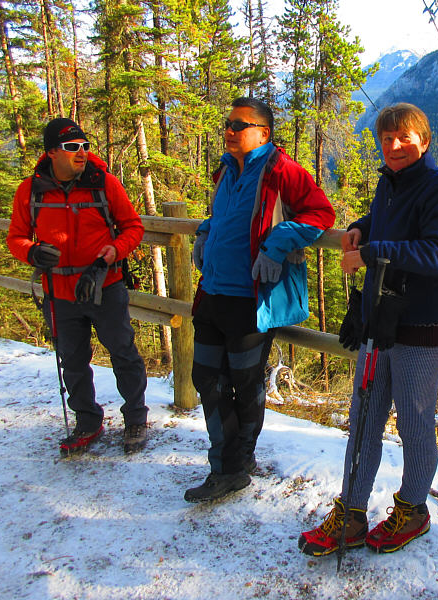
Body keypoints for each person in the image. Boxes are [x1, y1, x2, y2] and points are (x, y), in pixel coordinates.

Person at [299, 103, 438, 555]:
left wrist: (370, 252)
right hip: (380, 321)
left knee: (414, 423)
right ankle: (351, 514)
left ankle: (413, 509)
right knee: (364, 421)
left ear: (424, 141)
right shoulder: (388, 183)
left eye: (404, 137)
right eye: (387, 139)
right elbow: (386, 223)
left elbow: (436, 253)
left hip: (422, 324)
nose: (394, 146)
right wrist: (359, 228)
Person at [185, 97, 335, 503]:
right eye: (228, 124)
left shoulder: (281, 170)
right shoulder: (226, 169)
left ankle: (232, 465)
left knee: (245, 383)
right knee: (206, 378)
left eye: (239, 125)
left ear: (263, 132)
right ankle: (231, 462)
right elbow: (225, 215)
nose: (229, 131)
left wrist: (278, 242)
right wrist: (205, 230)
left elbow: (321, 214)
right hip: (212, 293)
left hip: (251, 300)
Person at [7, 118, 148, 456]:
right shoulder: (31, 191)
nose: (81, 152)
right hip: (59, 292)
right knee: (72, 360)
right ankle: (87, 421)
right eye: (72, 147)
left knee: (123, 353)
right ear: (52, 152)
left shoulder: (104, 184)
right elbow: (16, 237)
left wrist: (112, 252)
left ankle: (136, 418)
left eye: (85, 146)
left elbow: (133, 227)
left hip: (106, 285)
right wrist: (32, 252)